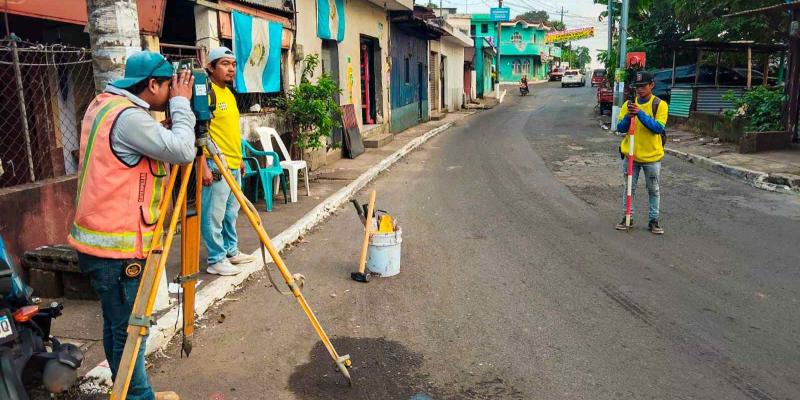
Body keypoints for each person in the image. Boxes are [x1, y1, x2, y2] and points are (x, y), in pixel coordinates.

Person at [68, 50, 196, 400]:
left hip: (97, 244)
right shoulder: (129, 118)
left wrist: (161, 129)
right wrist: (183, 108)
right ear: (151, 84)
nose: (173, 92)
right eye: (170, 86)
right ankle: (139, 397)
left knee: (116, 327)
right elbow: (185, 151)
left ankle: (126, 391)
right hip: (118, 252)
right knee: (130, 332)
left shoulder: (105, 105)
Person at [200, 47, 255, 276]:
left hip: (234, 163)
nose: (231, 68)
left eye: (233, 64)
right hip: (216, 164)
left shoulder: (229, 94)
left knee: (231, 213)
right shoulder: (206, 93)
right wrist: (203, 165)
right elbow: (199, 132)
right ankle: (215, 259)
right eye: (224, 63)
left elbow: (230, 130)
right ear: (211, 67)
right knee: (214, 214)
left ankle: (231, 251)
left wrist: (240, 158)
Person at [615, 71, 668, 234]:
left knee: (653, 189)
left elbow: (657, 128)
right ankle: (627, 217)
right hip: (631, 156)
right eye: (637, 87)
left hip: (651, 157)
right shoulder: (627, 105)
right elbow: (620, 128)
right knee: (629, 188)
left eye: (643, 86)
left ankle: (654, 220)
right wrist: (629, 116)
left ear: (651, 85)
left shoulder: (659, 105)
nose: (639, 90)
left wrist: (640, 114)